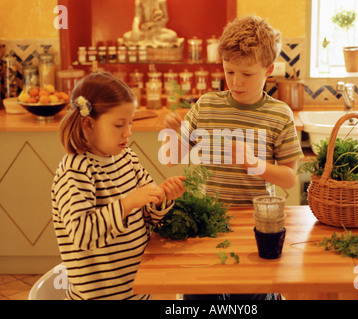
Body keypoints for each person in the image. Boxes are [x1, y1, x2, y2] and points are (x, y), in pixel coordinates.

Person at [163, 15, 304, 300]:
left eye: (247, 74)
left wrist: (255, 164)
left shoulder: (279, 114)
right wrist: (172, 133)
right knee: (201, 296)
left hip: (254, 226)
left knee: (251, 297)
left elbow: (290, 177)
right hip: (207, 223)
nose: (236, 82)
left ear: (268, 70)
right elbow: (173, 156)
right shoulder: (206, 105)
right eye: (229, 72)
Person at [52, 72, 185, 300]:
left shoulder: (127, 158)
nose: (128, 132)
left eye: (130, 122)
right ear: (87, 124)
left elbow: (150, 216)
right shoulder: (76, 171)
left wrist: (162, 197)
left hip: (136, 292)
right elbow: (83, 235)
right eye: (119, 124)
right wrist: (128, 203)